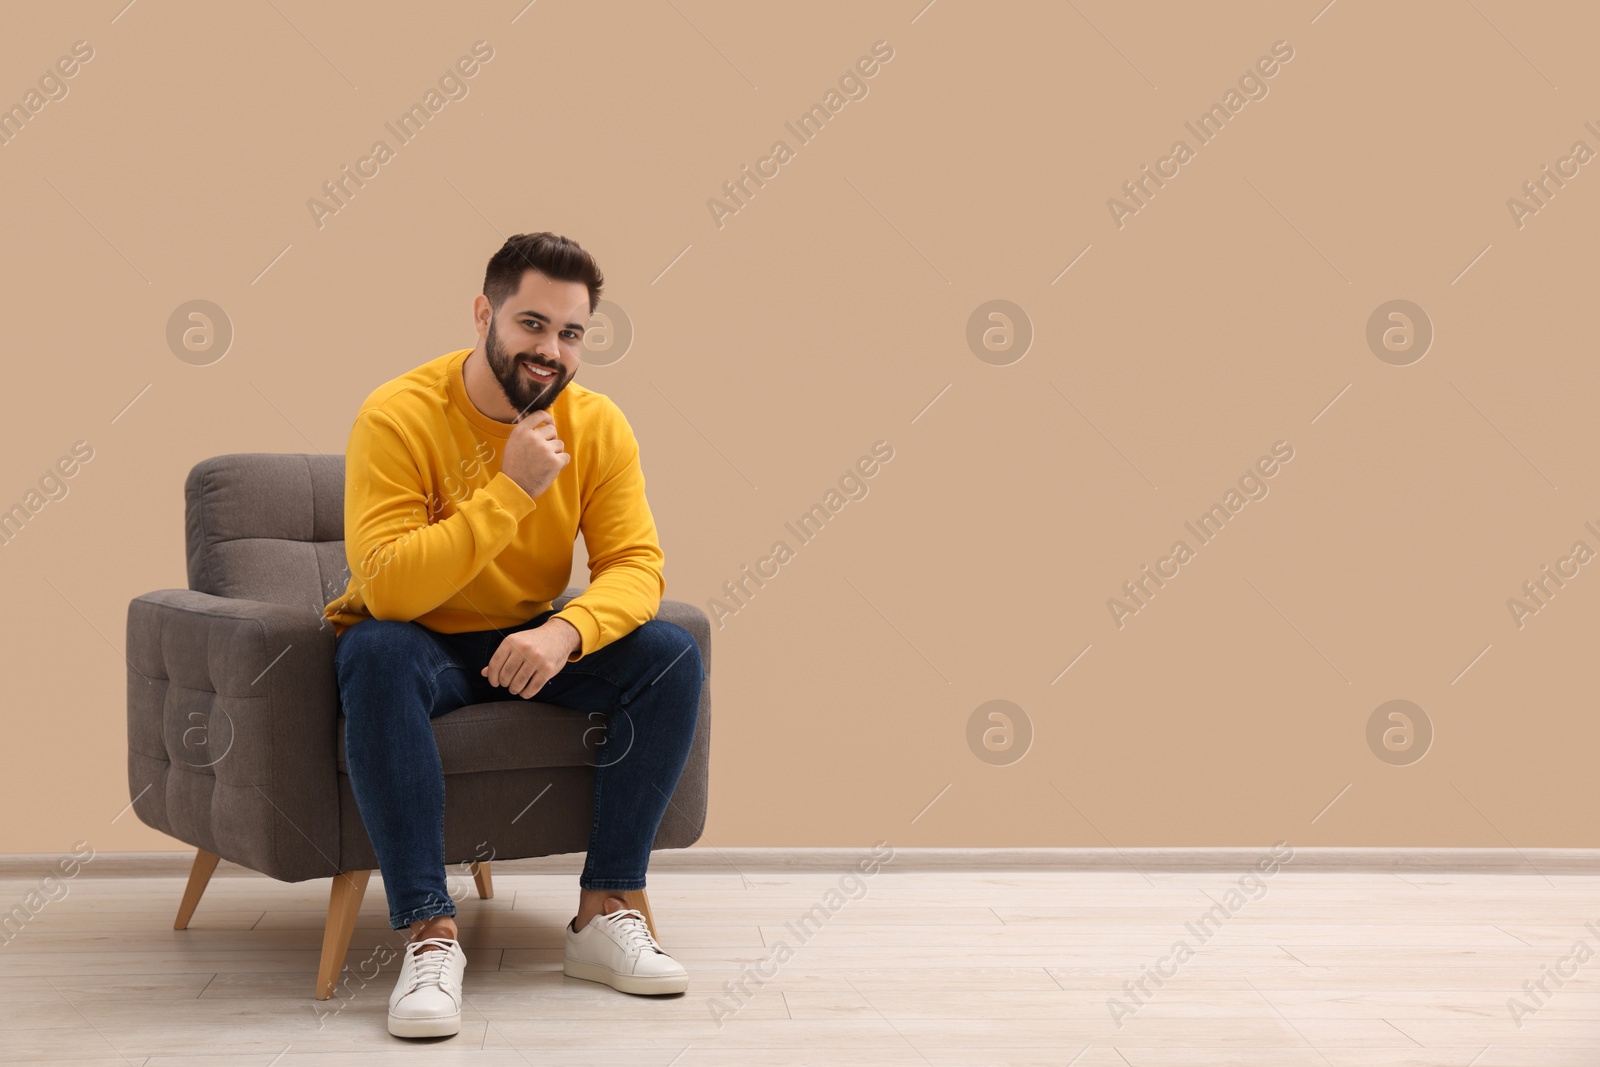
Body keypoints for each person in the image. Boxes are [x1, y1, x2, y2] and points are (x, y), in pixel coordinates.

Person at [322, 232, 703, 1039]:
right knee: (373, 650)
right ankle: (429, 932)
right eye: (532, 324)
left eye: (570, 334)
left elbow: (636, 565)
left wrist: (566, 632)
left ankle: (603, 912)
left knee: (670, 655)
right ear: (483, 313)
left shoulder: (595, 426)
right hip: (418, 638)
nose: (550, 351)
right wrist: (510, 490)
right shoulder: (398, 415)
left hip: (527, 636)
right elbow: (388, 587)